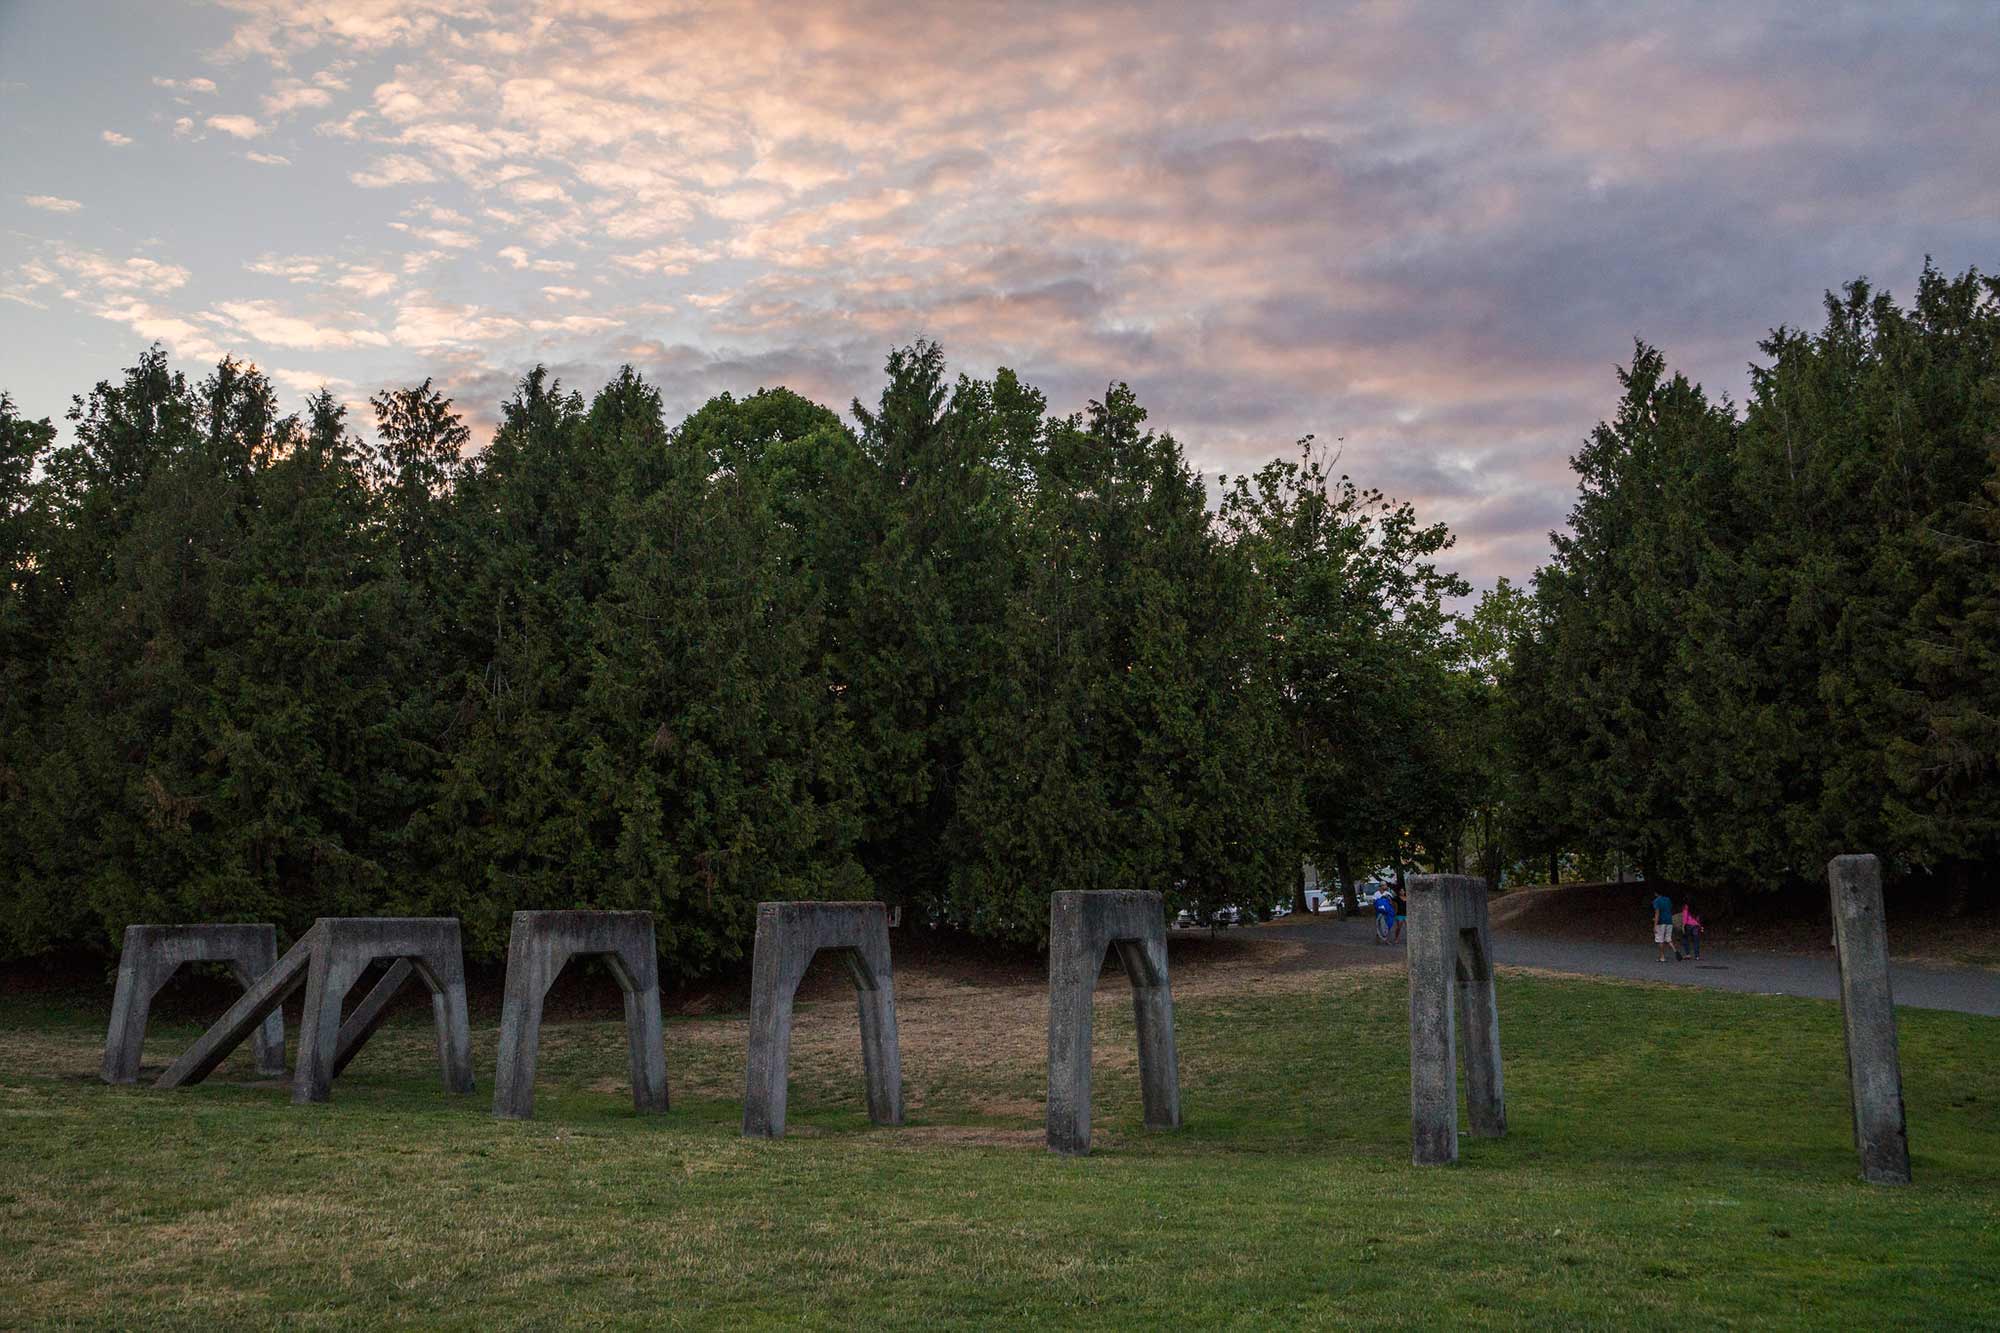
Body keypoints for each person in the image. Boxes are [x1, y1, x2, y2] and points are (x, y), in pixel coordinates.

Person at [1650, 890, 1678, 962]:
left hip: (1661, 922)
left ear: (1656, 893)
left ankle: (1662, 957)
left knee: (1660, 939)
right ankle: (1676, 951)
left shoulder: (1656, 901)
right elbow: (1669, 909)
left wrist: (1655, 925)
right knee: (1668, 938)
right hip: (1669, 921)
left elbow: (1657, 913)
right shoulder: (1668, 899)